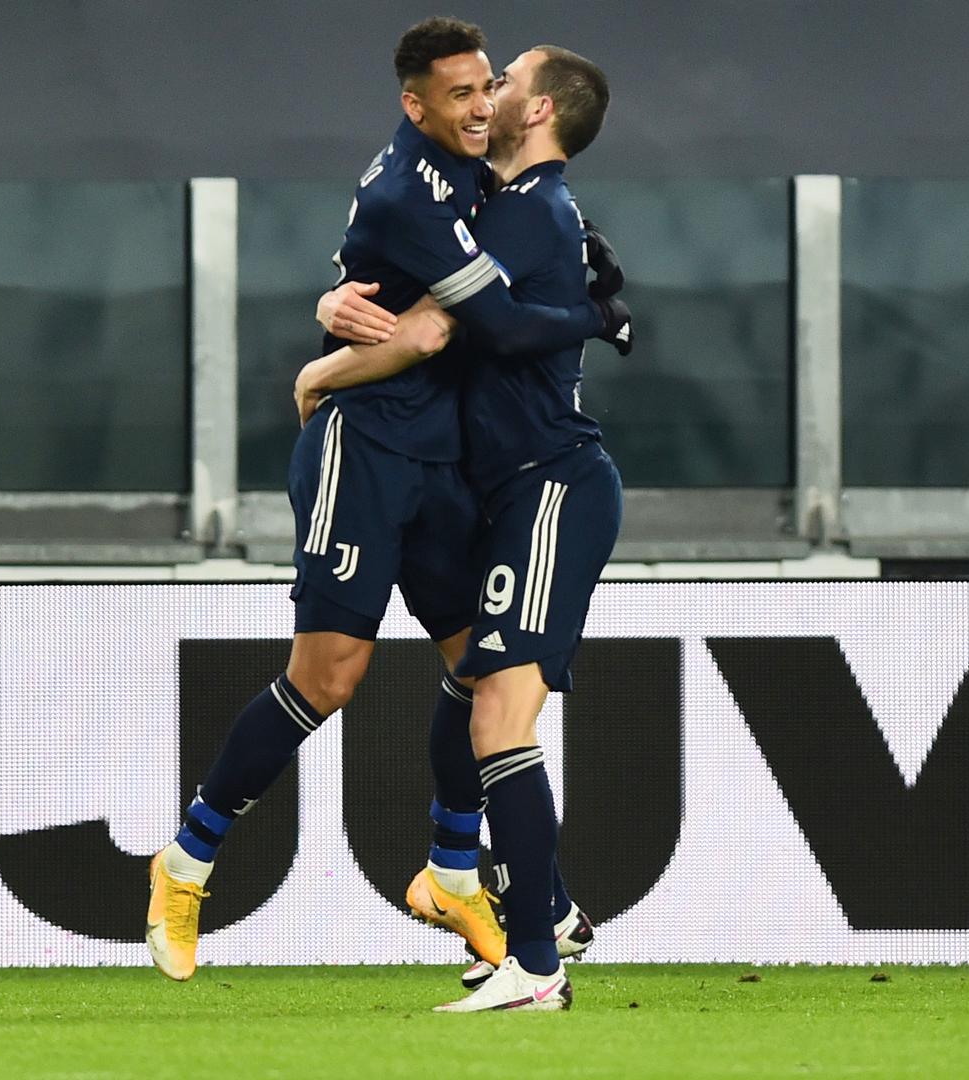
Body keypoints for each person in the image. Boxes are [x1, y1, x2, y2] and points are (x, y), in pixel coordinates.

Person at [145, 17, 630, 983]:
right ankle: (187, 861)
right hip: (365, 448)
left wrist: (334, 315)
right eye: (462, 93)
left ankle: (454, 871)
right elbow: (444, 330)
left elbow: (417, 292)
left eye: (490, 85)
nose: (481, 104)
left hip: (445, 464)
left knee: (484, 676)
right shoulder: (410, 190)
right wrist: (327, 367)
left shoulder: (489, 180)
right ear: (415, 104)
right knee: (329, 678)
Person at [296, 44, 625, 1011]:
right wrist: (332, 299)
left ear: (542, 110)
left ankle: (534, 959)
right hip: (507, 493)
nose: (489, 96)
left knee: (497, 715)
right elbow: (408, 275)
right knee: (472, 692)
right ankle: (507, 900)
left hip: (551, 484)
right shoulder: (495, 201)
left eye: (506, 81)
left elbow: (452, 326)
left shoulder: (531, 209)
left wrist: (319, 372)